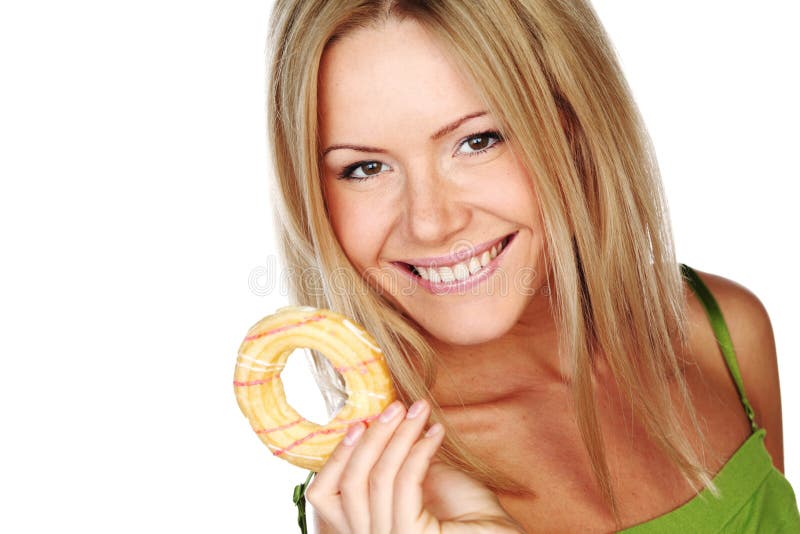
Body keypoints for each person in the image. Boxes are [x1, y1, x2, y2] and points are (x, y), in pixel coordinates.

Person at [265, 0, 800, 532]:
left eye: (478, 141)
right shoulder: (378, 498)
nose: (430, 222)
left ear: (572, 127)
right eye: (365, 168)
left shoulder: (719, 331)